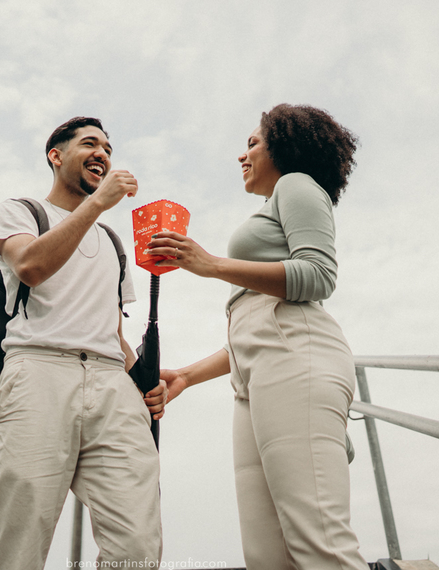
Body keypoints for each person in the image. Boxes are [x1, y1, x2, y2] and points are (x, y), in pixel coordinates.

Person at [147, 103, 367, 570]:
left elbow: (318, 275)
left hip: (297, 356)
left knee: (319, 543)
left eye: (252, 144)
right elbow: (253, 327)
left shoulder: (297, 184)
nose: (242, 155)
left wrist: (210, 265)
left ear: (284, 146)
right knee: (266, 555)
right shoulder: (274, 205)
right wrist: (187, 374)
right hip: (257, 369)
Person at [0, 116, 165, 570]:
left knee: (138, 543)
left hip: (110, 384)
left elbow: (113, 330)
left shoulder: (113, 243)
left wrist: (141, 378)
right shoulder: (20, 211)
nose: (102, 153)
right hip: (39, 372)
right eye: (90, 144)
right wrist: (98, 205)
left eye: (108, 147)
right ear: (56, 155)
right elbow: (30, 267)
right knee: (19, 539)